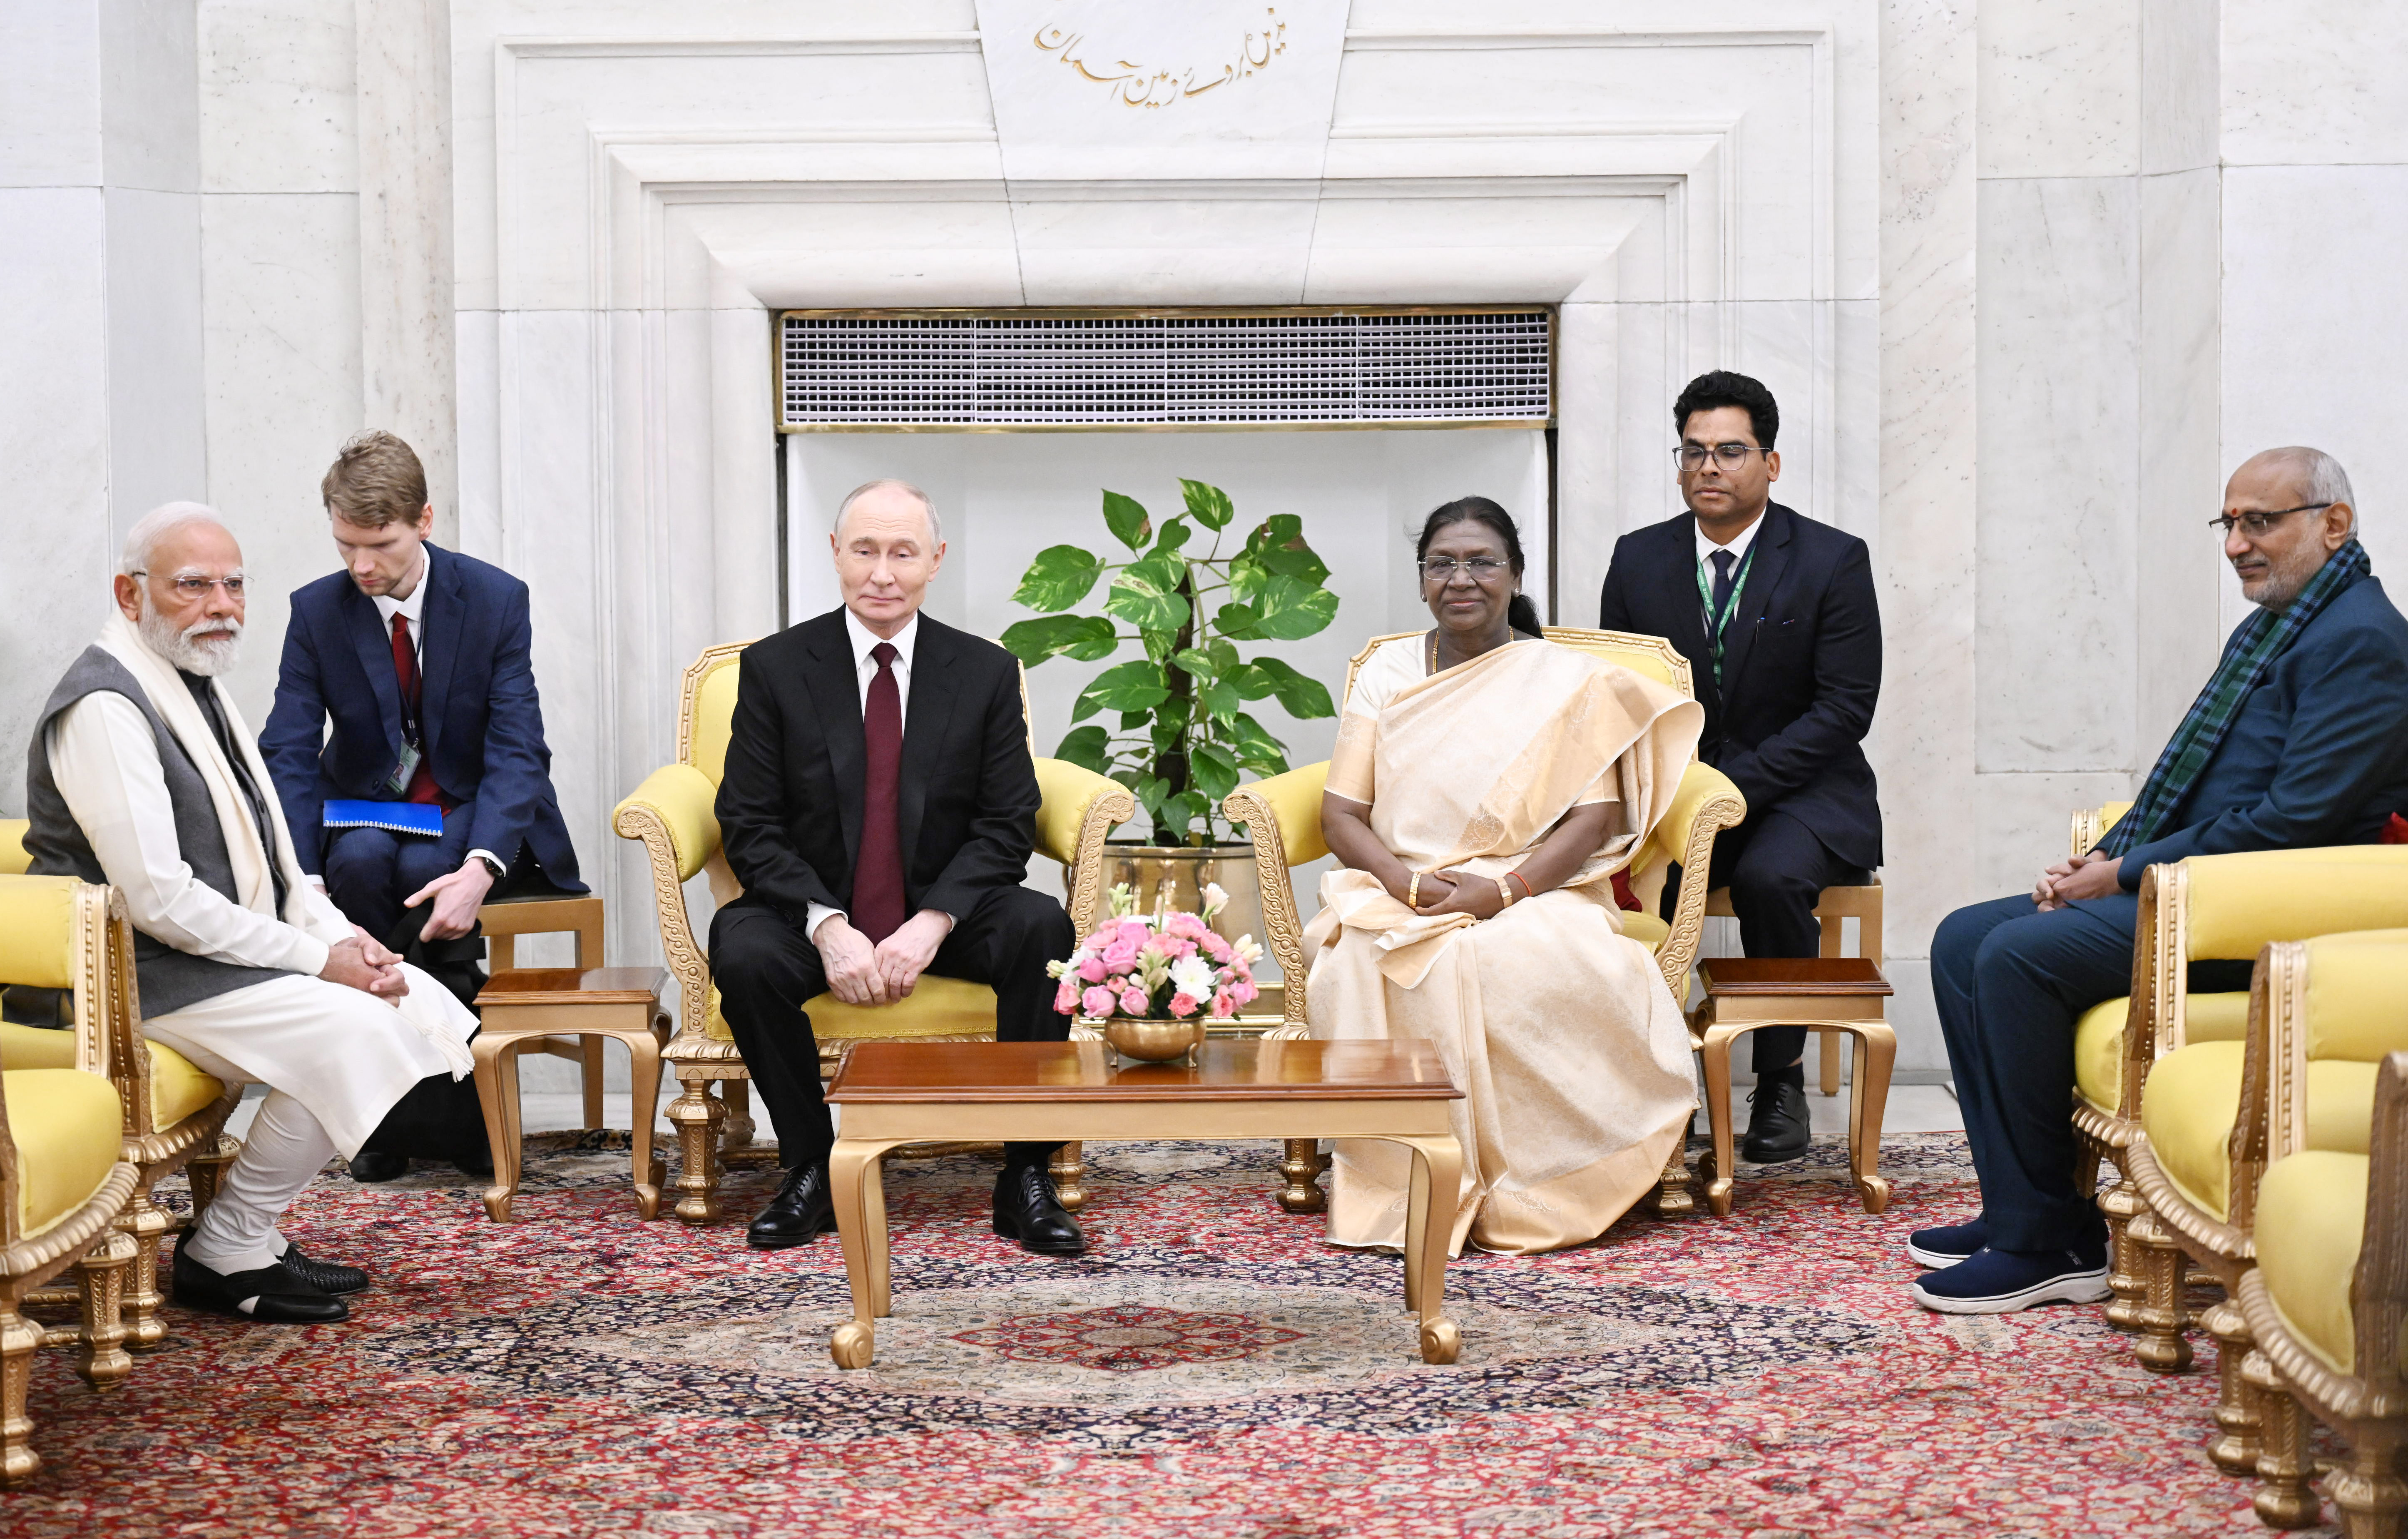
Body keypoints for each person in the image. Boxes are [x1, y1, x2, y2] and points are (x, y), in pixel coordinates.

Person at [1916, 448, 2408, 1313]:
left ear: (2334, 523)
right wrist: (2105, 854)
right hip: (2201, 883)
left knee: (2016, 958)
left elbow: (2297, 822)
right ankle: (2017, 1211)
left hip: (2265, 910)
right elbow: (2190, 781)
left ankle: (2051, 1246)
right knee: (1962, 937)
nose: (2238, 544)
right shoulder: (2279, 624)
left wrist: (2125, 871)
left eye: (2263, 522)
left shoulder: (2362, 642)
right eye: (2231, 524)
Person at [20, 503, 477, 1322]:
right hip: (129, 978)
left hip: (201, 959)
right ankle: (227, 1245)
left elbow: (273, 860)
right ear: (131, 595)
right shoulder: (106, 708)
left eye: (233, 584)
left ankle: (247, 1237)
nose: (221, 604)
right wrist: (316, 961)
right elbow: (157, 898)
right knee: (363, 1028)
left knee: (411, 1000)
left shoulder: (196, 686)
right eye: (193, 585)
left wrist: (346, 939)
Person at [1306, 497, 1704, 1255]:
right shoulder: (1387, 670)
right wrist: (1406, 884)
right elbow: (1341, 816)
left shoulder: (1564, 680)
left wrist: (1505, 891)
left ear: (1514, 575)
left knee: (1513, 957)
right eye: (1442, 563)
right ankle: (1417, 1182)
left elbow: (1592, 820)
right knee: (1376, 959)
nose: (1462, 578)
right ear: (1422, 580)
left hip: (1535, 885)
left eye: (1481, 561)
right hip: (1403, 885)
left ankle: (1542, 1185)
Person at [708, 479, 1083, 1255]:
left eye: (903, 553)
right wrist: (827, 926)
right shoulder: (776, 669)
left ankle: (1026, 1172)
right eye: (865, 551)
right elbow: (749, 822)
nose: (882, 573)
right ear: (836, 555)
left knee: (1041, 926)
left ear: (935, 561)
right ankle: (811, 1166)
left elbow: (1005, 823)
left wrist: (932, 923)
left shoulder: (982, 672)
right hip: (810, 911)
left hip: (945, 909)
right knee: (741, 948)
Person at [260, 430, 585, 1181]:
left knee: (425, 873)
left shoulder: (497, 600)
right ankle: (418, 1114)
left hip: (470, 808)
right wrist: (302, 878)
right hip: (367, 809)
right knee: (363, 863)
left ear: (425, 521)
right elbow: (288, 747)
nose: (361, 566)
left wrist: (482, 868)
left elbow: (517, 748)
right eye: (346, 546)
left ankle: (430, 1114)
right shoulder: (317, 612)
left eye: (380, 546)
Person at [1597, 371, 1881, 1163]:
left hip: (1803, 789)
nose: (1709, 468)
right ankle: (1651, 1075)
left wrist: (1736, 788)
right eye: (1694, 453)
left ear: (1771, 463)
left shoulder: (1832, 559)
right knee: (1609, 871)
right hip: (1678, 787)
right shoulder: (1639, 558)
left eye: (1730, 451)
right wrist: (1676, 794)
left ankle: (1779, 1078)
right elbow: (1619, 695)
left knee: (1772, 878)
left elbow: (1844, 708)